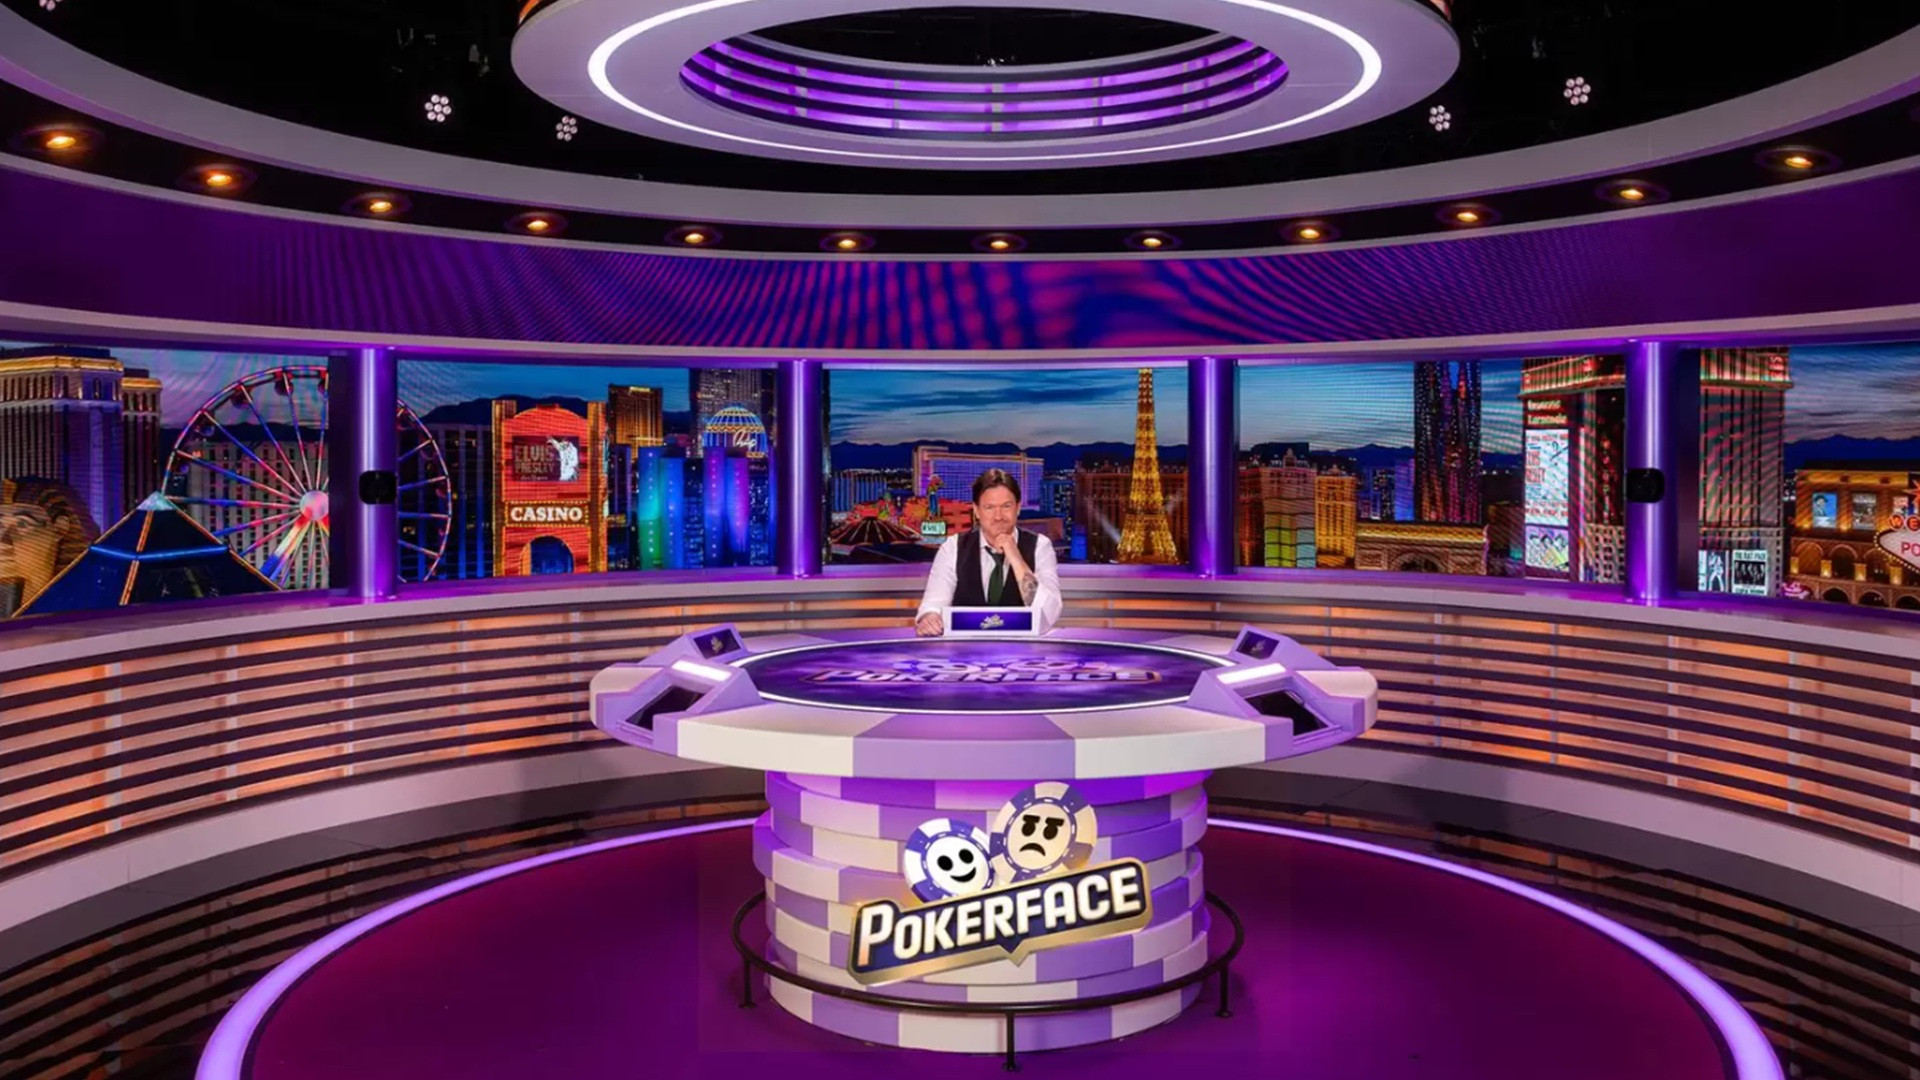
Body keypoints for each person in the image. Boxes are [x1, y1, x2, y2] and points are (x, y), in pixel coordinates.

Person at [914, 468, 1062, 636]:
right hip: (964, 649)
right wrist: (930, 618)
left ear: (1018, 508)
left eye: (1006, 506)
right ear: (976, 511)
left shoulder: (1040, 547)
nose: (998, 516)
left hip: (1023, 649)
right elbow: (933, 604)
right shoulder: (953, 547)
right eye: (989, 507)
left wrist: (1015, 557)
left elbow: (1048, 615)